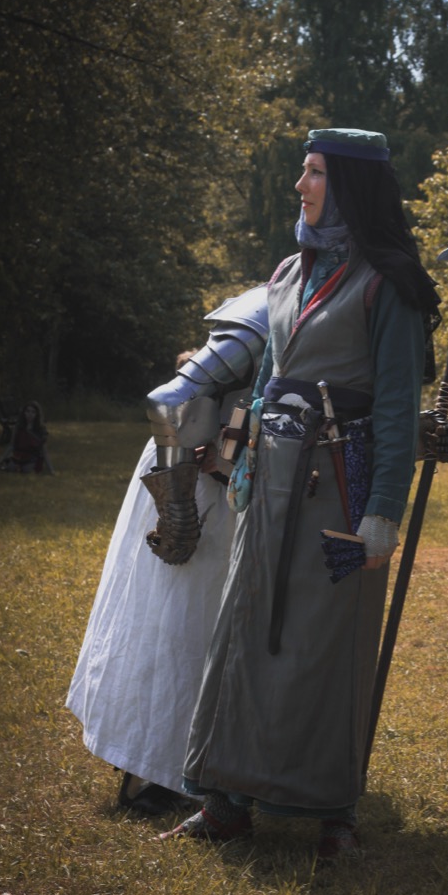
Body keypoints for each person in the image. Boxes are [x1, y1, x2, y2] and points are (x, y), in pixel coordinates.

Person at [164, 127, 448, 859]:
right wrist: (241, 463)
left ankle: (334, 814)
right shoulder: (289, 272)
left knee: (327, 643)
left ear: (350, 185)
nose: (301, 185)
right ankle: (225, 804)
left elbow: (396, 409)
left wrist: (383, 510)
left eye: (315, 172)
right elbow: (269, 379)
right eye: (303, 171)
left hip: (343, 491)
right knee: (245, 629)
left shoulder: (389, 284)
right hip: (269, 482)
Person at [66, 287, 269, 814]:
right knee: (177, 626)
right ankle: (153, 767)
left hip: (240, 491)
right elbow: (172, 401)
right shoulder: (265, 309)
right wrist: (180, 507)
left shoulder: (322, 310)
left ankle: (204, 765)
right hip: (190, 484)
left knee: (218, 633)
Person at [0, 400, 51, 473]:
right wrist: (1, 460)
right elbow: (11, 446)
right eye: (28, 411)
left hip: (32, 458)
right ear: (24, 413)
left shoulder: (40, 430)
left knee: (27, 470)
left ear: (37, 414)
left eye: (33, 412)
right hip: (18, 456)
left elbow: (44, 451)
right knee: (11, 468)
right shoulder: (18, 428)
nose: (30, 414)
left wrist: (51, 470)